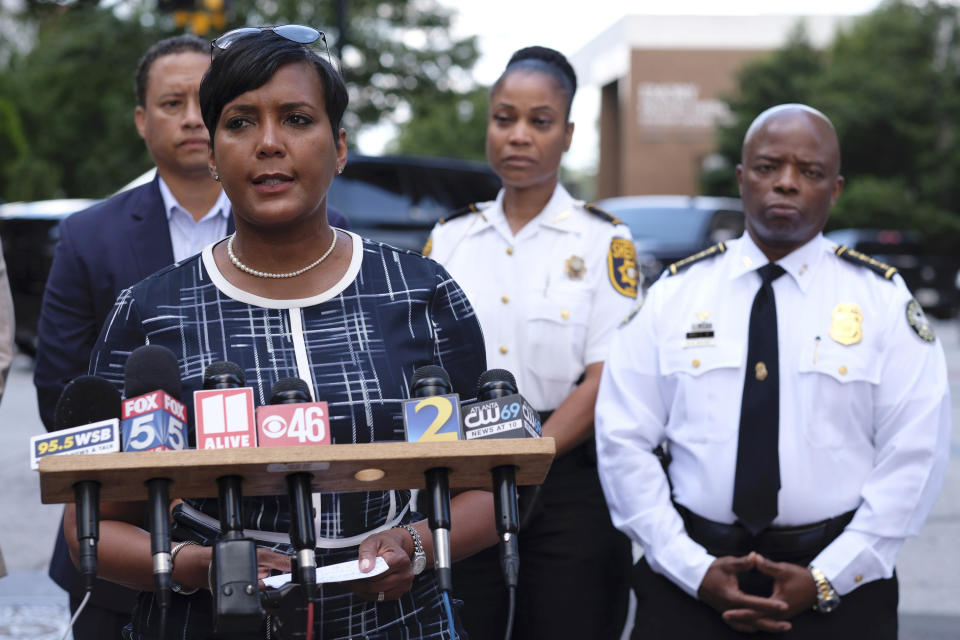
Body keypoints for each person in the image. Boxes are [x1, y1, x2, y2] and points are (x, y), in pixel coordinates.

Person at [64, 26, 496, 639]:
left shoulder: (420, 292)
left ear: (339, 146)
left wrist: (418, 546)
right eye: (240, 122)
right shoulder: (149, 313)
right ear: (211, 153)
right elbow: (92, 526)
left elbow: (491, 483)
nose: (269, 144)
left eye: (296, 119)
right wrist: (201, 567)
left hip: (396, 623)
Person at [35, 34, 353, 637]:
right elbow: (65, 393)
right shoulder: (88, 237)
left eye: (199, 103)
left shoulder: (309, 219)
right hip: (128, 535)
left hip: (295, 548)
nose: (188, 119)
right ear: (140, 119)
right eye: (169, 103)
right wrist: (176, 496)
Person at [595, 104, 951, 638]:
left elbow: (914, 454)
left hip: (840, 591)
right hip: (689, 584)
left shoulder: (880, 301)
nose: (786, 183)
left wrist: (828, 576)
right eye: (767, 167)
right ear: (742, 178)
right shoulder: (676, 295)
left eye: (809, 172)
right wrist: (691, 569)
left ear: (834, 189)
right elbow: (623, 438)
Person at [425, 45, 634, 640]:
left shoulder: (603, 242)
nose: (518, 135)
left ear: (567, 135)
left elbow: (607, 377)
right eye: (504, 118)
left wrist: (529, 456)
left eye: (539, 122)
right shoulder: (451, 239)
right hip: (464, 470)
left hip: (564, 473)